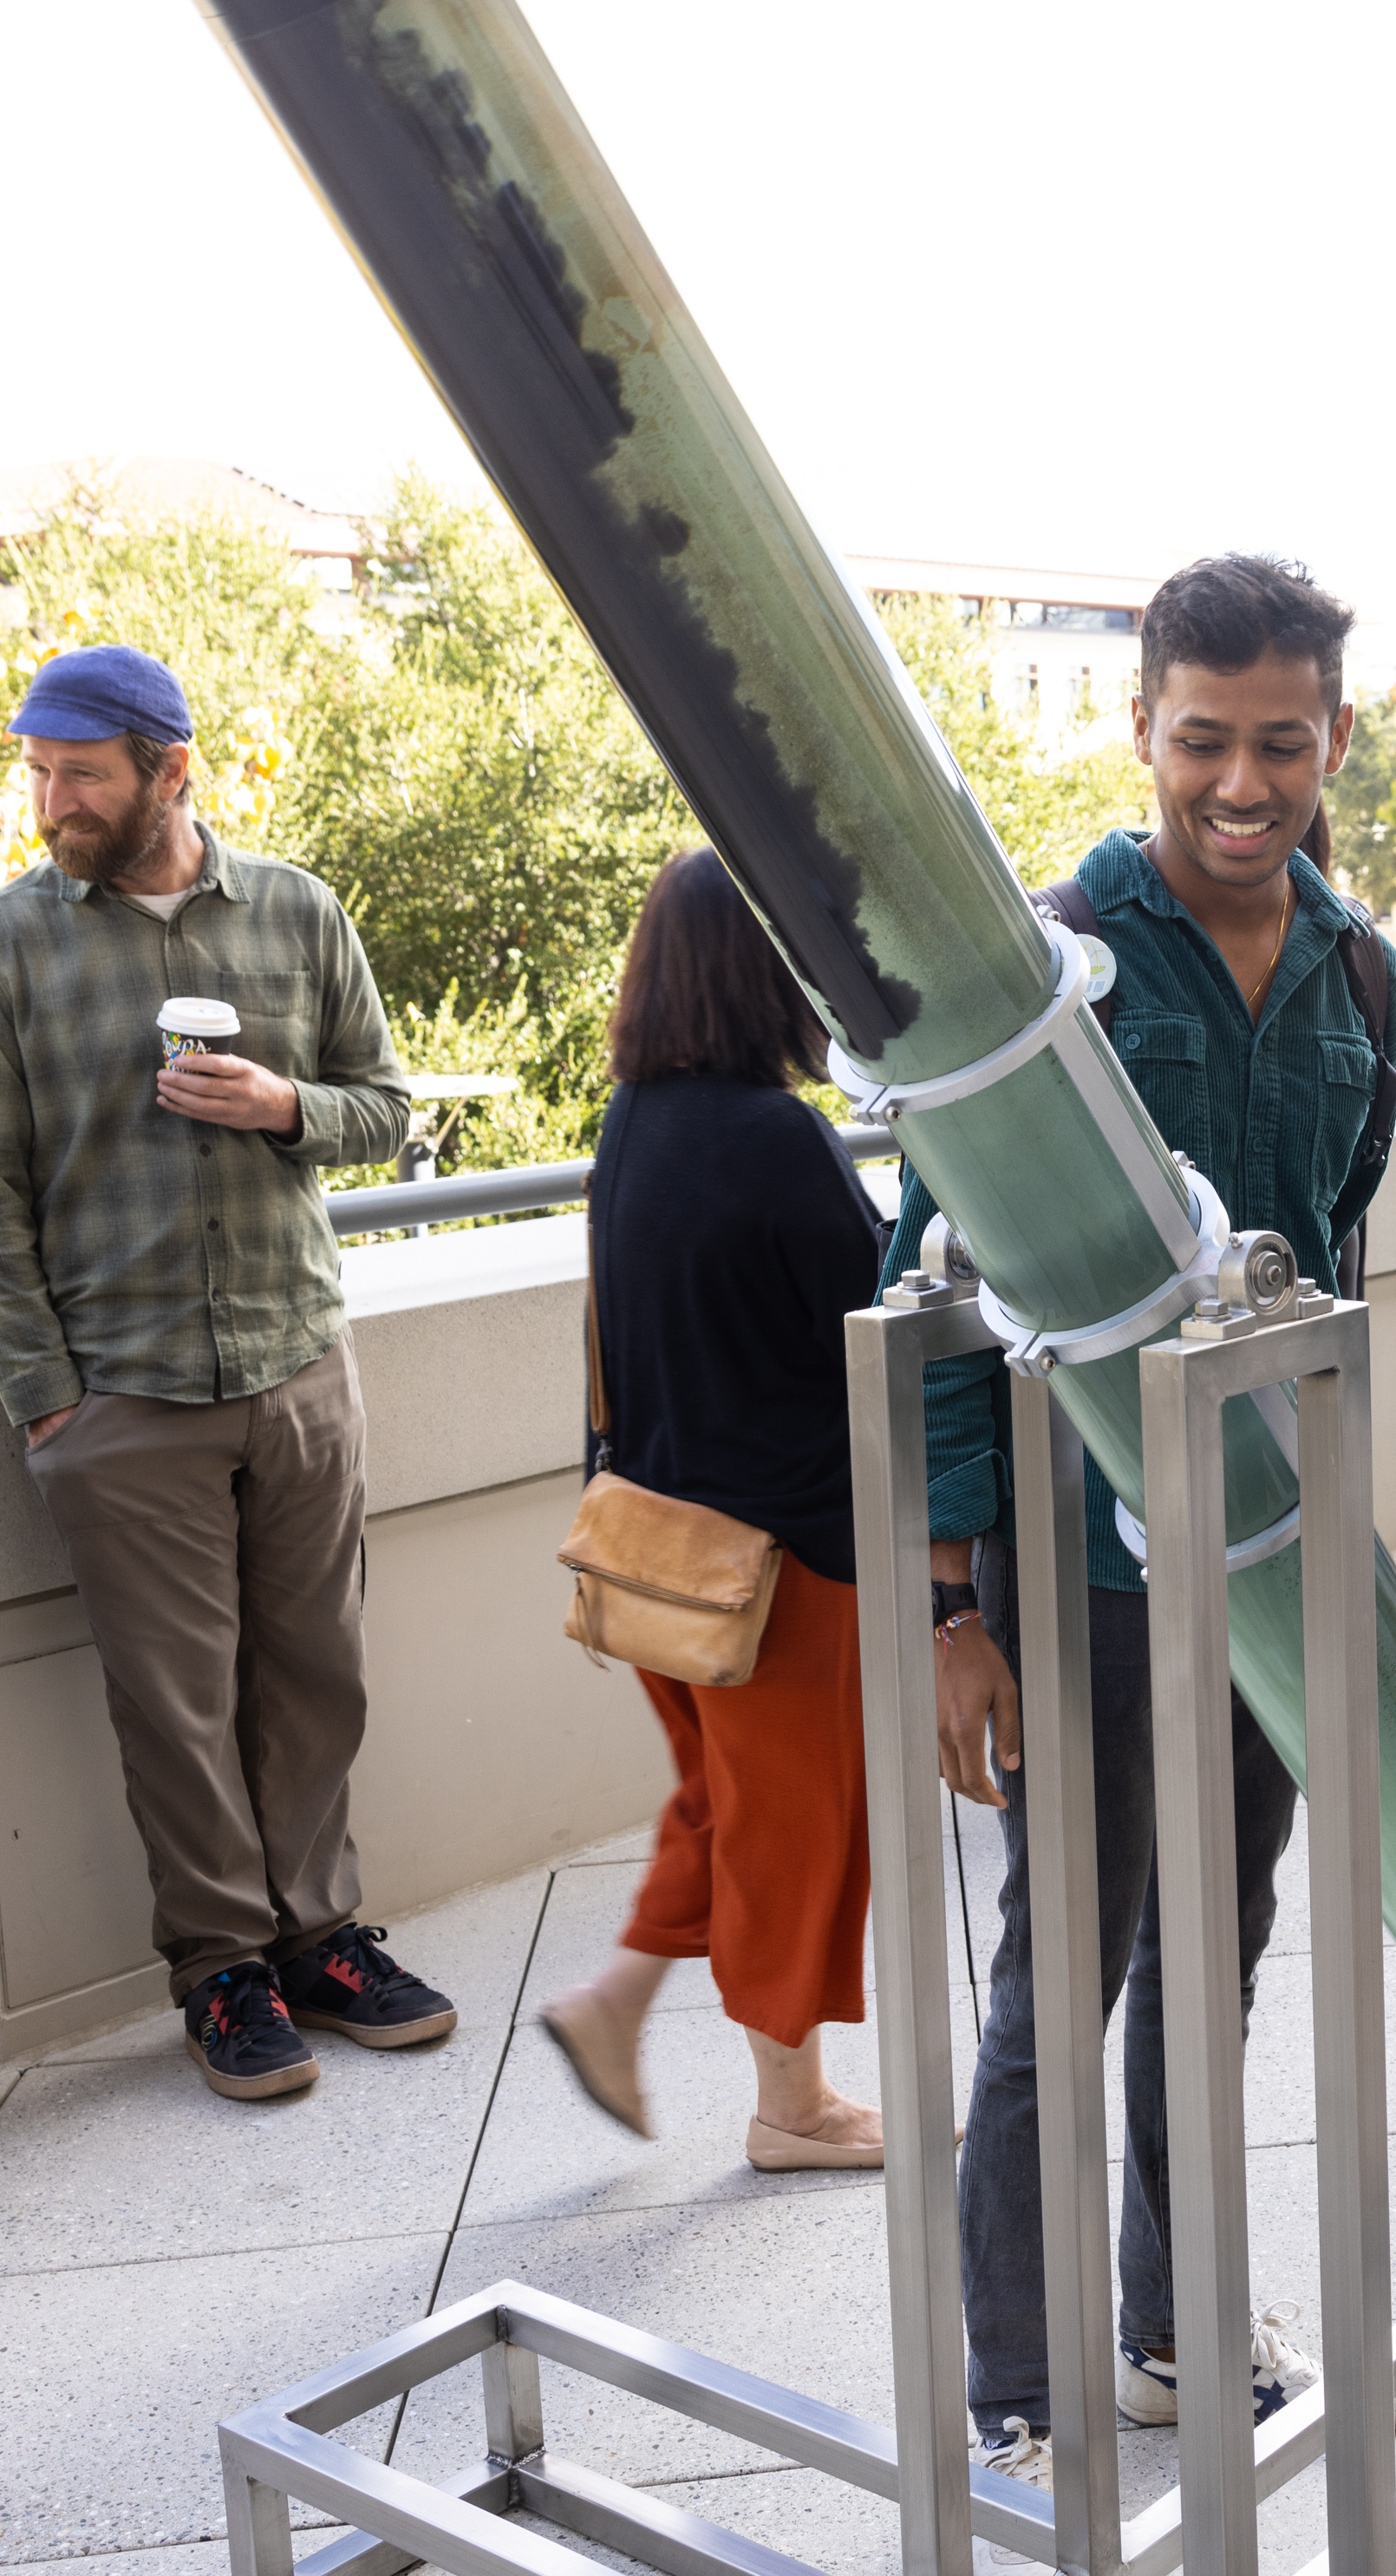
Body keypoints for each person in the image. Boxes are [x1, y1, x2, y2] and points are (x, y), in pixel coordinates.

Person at [897, 555, 1396, 2514]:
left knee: (1225, 1951)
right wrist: (957, 1598)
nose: (1240, 778)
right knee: (1069, 1965)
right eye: (1203, 737)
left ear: (1330, 738)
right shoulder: (1045, 964)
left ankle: (1182, 2314)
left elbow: (1338, 1246)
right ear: (1141, 731)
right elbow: (930, 1276)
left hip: (1270, 1557)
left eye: (1279, 740)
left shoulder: (1364, 969)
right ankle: (1018, 2375)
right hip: (1081, 1570)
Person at [0, 644, 456, 2104]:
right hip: (121, 1392)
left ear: (172, 769)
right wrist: (48, 1397)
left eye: (80, 773)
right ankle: (221, 1967)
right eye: (37, 771)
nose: (51, 801)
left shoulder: (297, 912)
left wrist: (286, 1105)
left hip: (296, 1362)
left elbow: (389, 1110)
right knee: (174, 1707)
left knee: (318, 1677)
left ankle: (322, 1937)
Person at [535, 849, 889, 2172]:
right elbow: (863, 1316)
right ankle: (791, 2109)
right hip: (778, 1570)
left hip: (651, 1560)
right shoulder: (773, 1136)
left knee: (718, 1807)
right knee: (792, 1836)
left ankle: (610, 2010)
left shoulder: (631, 1124)